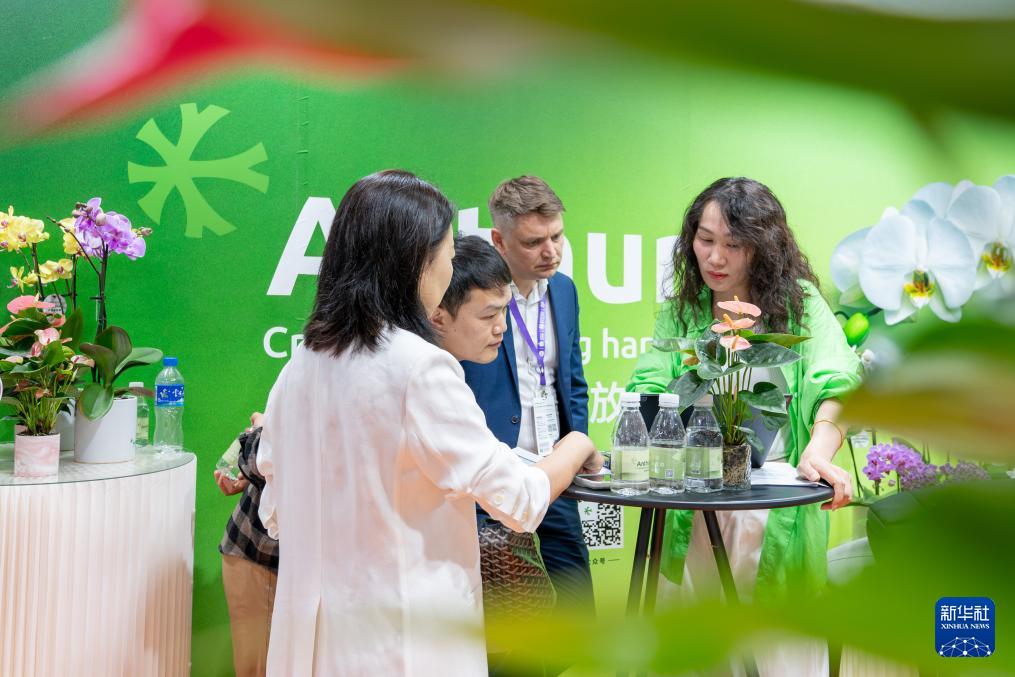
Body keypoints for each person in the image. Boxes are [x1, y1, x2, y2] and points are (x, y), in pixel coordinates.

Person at [255, 170, 601, 676]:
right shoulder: (419, 367)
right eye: (448, 254)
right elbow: (519, 499)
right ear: (416, 263)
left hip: (318, 642)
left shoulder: (302, 363)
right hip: (404, 638)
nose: (451, 266)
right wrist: (576, 444)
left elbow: (275, 509)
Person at [628, 177, 862, 676]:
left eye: (733, 245)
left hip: (771, 504)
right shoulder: (682, 312)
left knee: (772, 646)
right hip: (694, 505)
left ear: (763, 247)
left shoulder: (799, 305)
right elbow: (649, 382)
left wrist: (818, 451)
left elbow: (837, 382)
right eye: (705, 239)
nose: (715, 258)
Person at [461, 176, 595, 622]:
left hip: (555, 474)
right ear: (499, 241)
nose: (551, 251)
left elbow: (572, 380)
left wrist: (575, 449)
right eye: (534, 242)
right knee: (509, 620)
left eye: (557, 236)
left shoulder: (564, 290)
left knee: (576, 612)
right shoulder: (470, 296)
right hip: (495, 482)